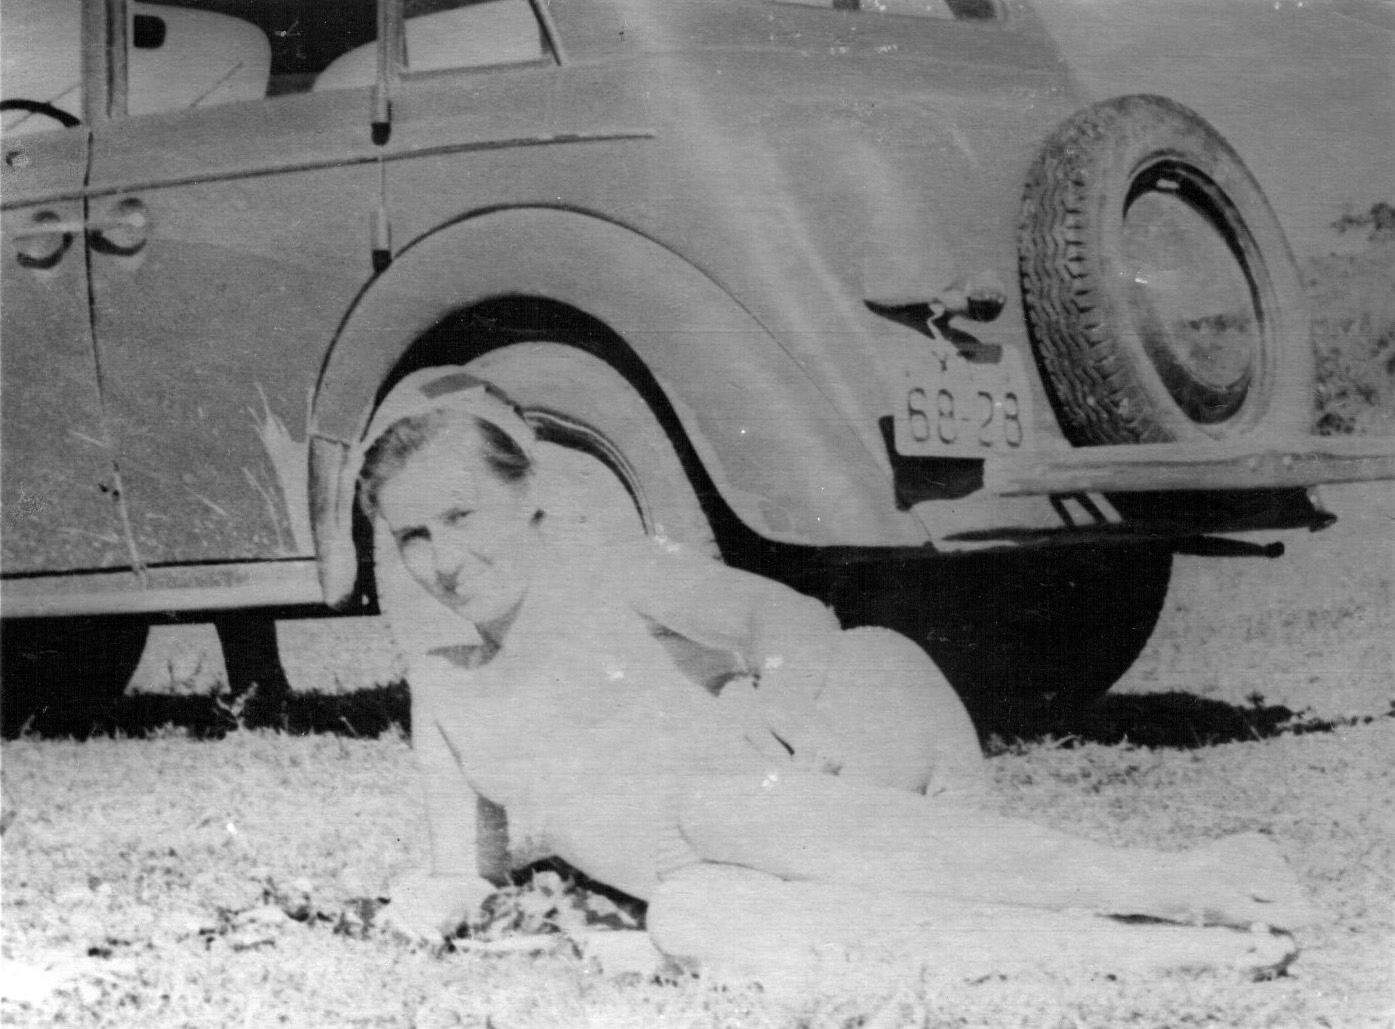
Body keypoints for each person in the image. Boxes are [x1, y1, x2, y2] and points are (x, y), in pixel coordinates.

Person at [353, 366, 1317, 989]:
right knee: (696, 918)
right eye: (414, 536)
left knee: (724, 808)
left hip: (859, 763)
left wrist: (779, 720)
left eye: (461, 515)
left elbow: (788, 620)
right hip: (736, 864)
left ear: (527, 496)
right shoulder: (447, 689)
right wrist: (437, 905)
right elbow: (463, 874)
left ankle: (1188, 878)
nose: (445, 559)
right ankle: (1163, 947)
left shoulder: (610, 575)